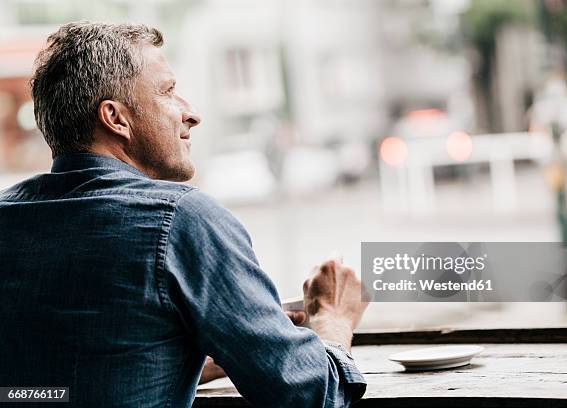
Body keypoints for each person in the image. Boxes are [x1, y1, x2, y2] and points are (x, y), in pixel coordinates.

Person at [0, 22, 369, 407]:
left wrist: (177, 356)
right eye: (169, 92)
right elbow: (311, 396)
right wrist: (333, 319)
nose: (191, 114)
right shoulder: (180, 219)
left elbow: (46, 388)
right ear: (116, 118)